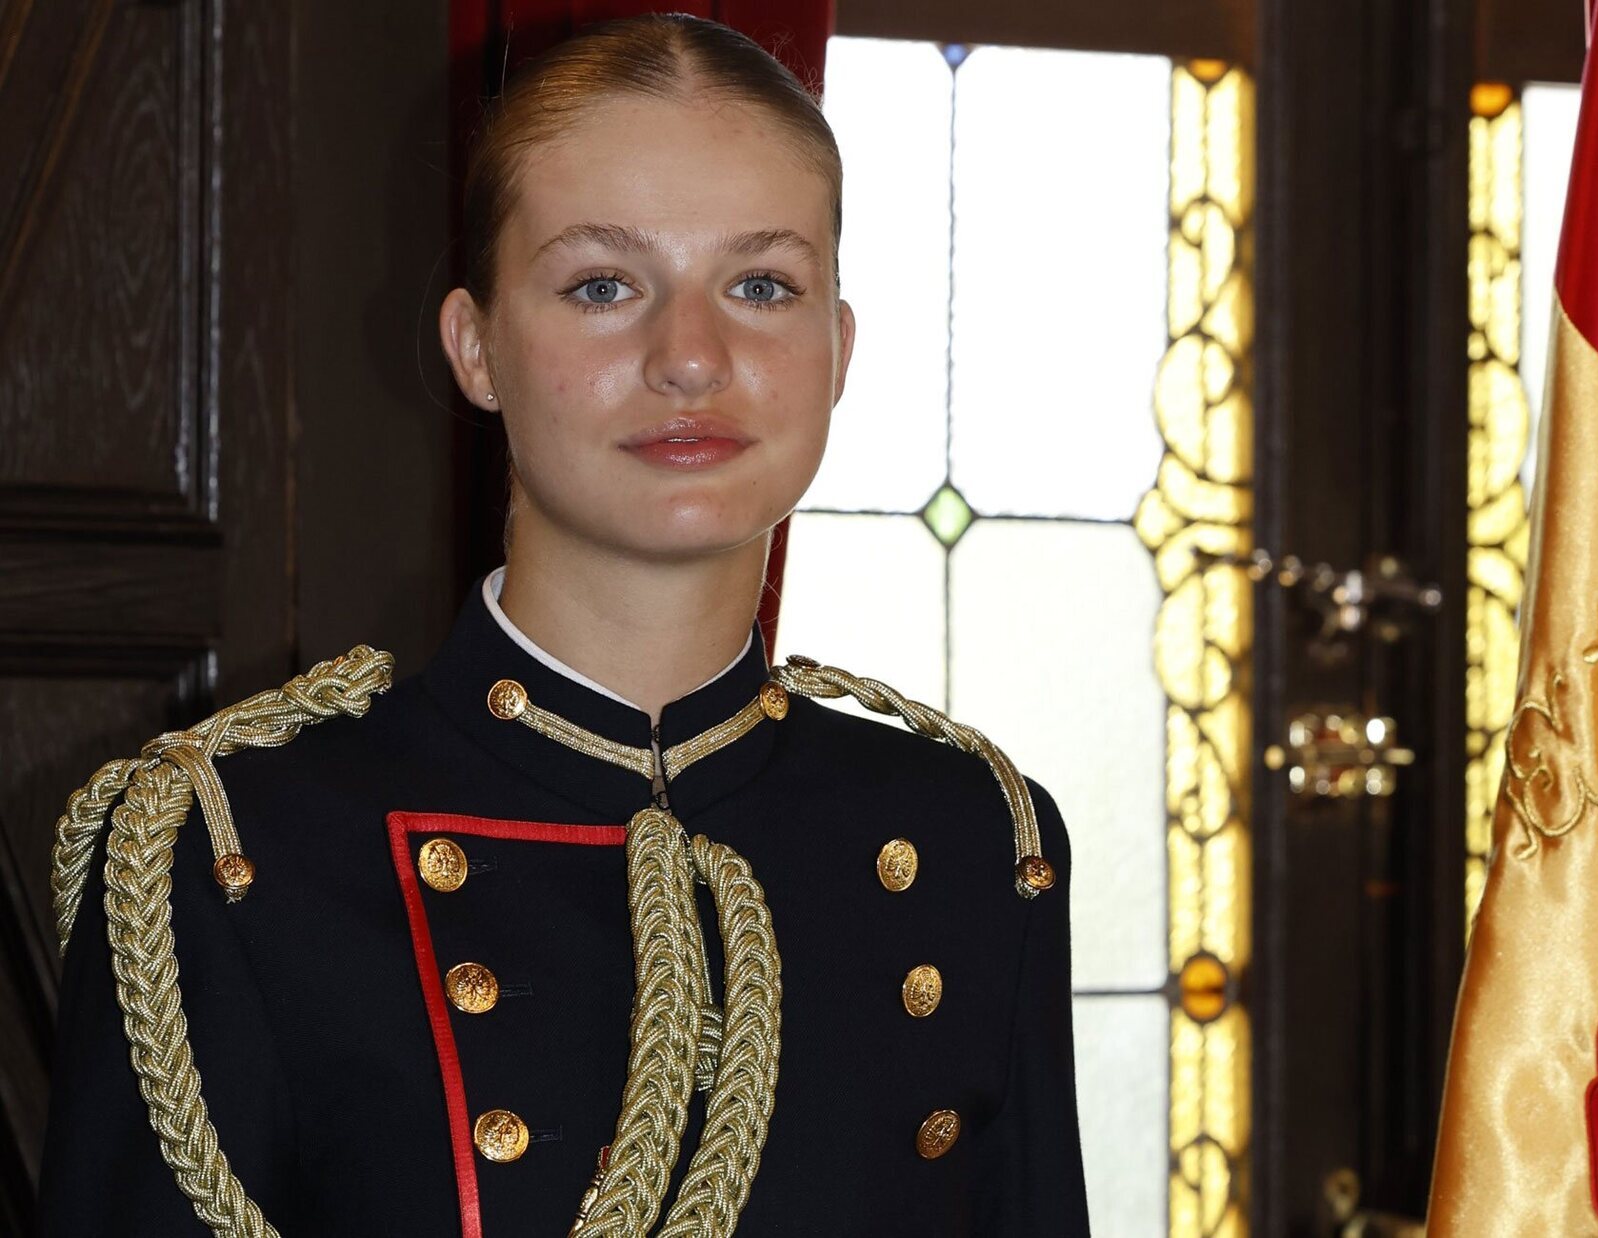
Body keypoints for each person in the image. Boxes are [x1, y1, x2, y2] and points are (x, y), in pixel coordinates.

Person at [37, 14, 1089, 1236]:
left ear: (837, 349)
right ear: (475, 346)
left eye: (762, 284)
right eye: (602, 284)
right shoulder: (232, 847)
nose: (691, 357)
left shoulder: (972, 837)